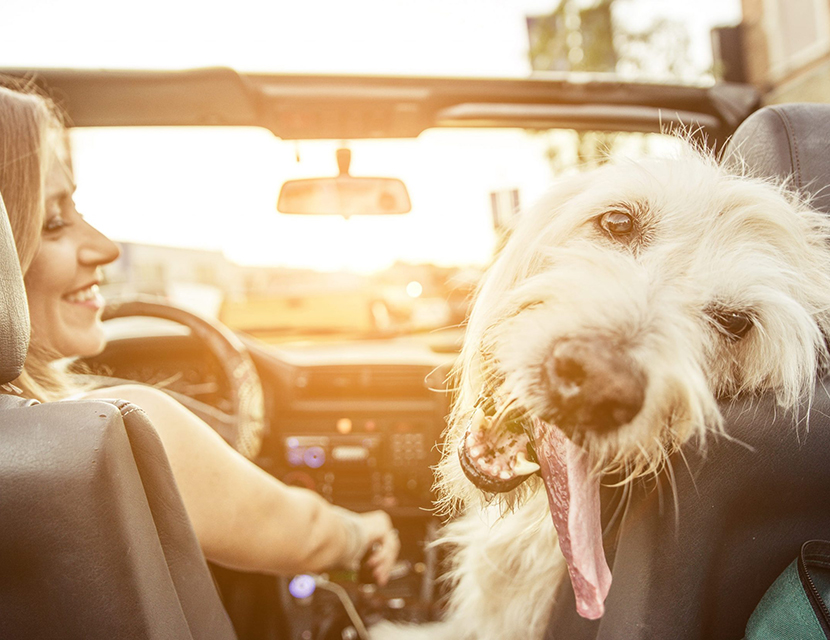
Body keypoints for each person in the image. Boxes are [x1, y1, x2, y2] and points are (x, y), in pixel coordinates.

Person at [0, 80, 400, 582]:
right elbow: (300, 533)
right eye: (54, 222)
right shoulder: (120, 431)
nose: (106, 248)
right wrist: (363, 531)